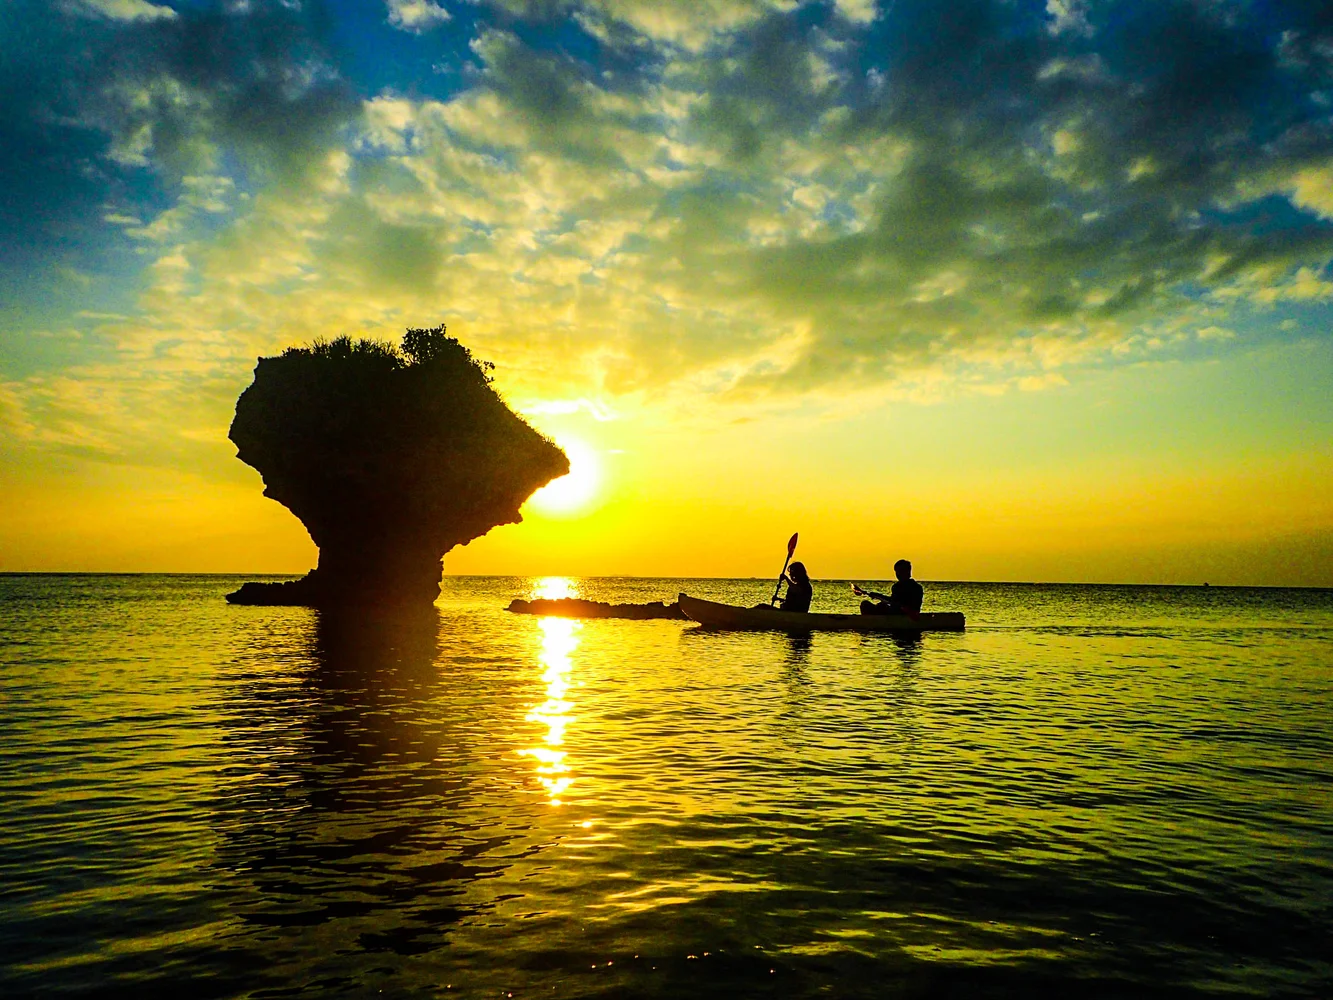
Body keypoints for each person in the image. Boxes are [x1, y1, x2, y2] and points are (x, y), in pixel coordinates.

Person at [854, 559, 922, 617]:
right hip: (895, 613)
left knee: (881, 606)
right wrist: (877, 595)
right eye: (897, 572)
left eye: (901, 571)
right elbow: (892, 600)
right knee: (865, 604)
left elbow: (911, 607)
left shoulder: (916, 588)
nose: (898, 574)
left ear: (908, 572)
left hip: (903, 615)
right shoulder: (896, 587)